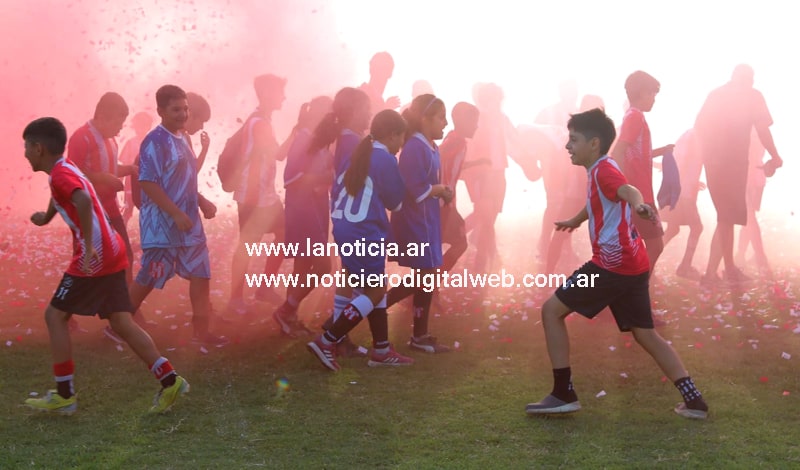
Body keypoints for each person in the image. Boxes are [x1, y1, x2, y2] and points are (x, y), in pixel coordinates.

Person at [525, 109, 708, 419]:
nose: (567, 146)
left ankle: (563, 393)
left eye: (573, 140)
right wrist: (575, 219)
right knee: (646, 334)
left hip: (611, 266)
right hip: (633, 265)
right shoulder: (599, 169)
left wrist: (639, 204)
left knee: (551, 311)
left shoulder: (604, 171)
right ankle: (695, 401)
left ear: (594, 143)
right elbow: (598, 200)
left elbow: (626, 191)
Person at [22, 117, 188, 415]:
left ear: (37, 148)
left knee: (54, 316)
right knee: (121, 321)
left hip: (96, 257)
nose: (24, 153)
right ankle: (170, 380)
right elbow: (64, 195)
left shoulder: (61, 175)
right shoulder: (64, 168)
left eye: (26, 147)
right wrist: (46, 218)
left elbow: (83, 199)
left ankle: (64, 396)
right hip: (113, 249)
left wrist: (86, 249)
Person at [307, 110, 414, 371]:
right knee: (376, 290)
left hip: (345, 226)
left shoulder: (357, 154)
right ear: (391, 135)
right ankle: (328, 340)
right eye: (400, 138)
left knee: (359, 281)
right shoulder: (385, 159)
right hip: (364, 231)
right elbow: (396, 203)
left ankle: (381, 350)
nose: (401, 145)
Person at [128, 84, 226, 346]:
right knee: (150, 274)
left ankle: (201, 332)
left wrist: (202, 201)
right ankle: (120, 323)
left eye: (185, 109)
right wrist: (174, 213)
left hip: (188, 221)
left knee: (201, 272)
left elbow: (187, 175)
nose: (182, 114)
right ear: (160, 111)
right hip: (162, 222)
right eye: (176, 110)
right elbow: (147, 182)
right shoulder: (154, 141)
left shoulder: (184, 137)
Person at [694, 64, 783, 287]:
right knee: (727, 217)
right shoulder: (752, 96)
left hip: (714, 163)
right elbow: (763, 128)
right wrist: (775, 156)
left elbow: (699, 129)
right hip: (732, 164)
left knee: (726, 218)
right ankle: (727, 271)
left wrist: (702, 162)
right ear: (748, 79)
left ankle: (713, 273)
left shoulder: (716, 95)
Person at [387, 94, 454, 353]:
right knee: (425, 277)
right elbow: (414, 189)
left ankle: (420, 334)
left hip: (427, 221)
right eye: (440, 117)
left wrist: (441, 191)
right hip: (415, 222)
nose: (445, 123)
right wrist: (439, 189)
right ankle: (376, 305)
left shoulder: (429, 145)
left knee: (425, 277)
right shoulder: (414, 146)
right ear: (425, 119)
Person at [271, 96, 334, 335]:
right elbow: (292, 177)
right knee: (322, 265)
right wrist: (326, 178)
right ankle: (286, 310)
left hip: (315, 209)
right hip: (304, 210)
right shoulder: (305, 138)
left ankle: (290, 319)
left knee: (302, 265)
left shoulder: (318, 140)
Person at [228, 74, 289, 314]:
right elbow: (279, 154)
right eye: (279, 92)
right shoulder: (259, 123)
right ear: (266, 94)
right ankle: (235, 298)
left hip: (267, 196)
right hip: (252, 197)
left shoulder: (261, 120)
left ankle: (264, 287)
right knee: (247, 246)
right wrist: (298, 130)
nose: (284, 97)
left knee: (285, 235)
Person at [67, 92, 137, 286]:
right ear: (102, 117)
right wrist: (102, 179)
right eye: (118, 123)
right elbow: (71, 173)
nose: (120, 129)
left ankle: (127, 307)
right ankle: (62, 312)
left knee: (125, 256)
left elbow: (112, 169)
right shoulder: (81, 138)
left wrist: (130, 169)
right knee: (85, 262)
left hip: (111, 208)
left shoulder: (111, 140)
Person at [610, 71, 674, 281]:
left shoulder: (635, 117)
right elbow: (618, 152)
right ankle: (634, 291)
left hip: (642, 194)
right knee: (655, 245)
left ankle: (631, 292)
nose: (654, 99)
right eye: (651, 94)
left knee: (646, 246)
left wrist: (661, 151)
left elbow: (634, 153)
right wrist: (622, 188)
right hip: (638, 196)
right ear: (639, 93)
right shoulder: (635, 117)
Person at [438, 102, 484, 272]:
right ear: (461, 120)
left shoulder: (456, 140)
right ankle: (431, 281)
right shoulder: (455, 141)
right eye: (473, 121)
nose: (476, 126)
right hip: (442, 204)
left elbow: (454, 164)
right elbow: (437, 156)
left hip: (445, 203)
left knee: (450, 243)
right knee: (459, 243)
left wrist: (477, 163)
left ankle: (430, 282)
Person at [662, 129, 705, 279]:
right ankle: (685, 266)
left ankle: (646, 263)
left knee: (673, 229)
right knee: (697, 227)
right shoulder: (695, 138)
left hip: (680, 190)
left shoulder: (690, 135)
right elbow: (681, 163)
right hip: (683, 193)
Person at [735, 129, 772, 278]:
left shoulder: (745, 129)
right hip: (758, 174)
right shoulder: (759, 130)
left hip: (749, 175)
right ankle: (741, 254)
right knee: (748, 218)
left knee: (749, 218)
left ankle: (760, 257)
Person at [119, 112, 153, 228]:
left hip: (148, 183)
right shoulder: (130, 143)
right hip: (130, 183)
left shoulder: (152, 142)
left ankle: (149, 236)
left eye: (143, 125)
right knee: (128, 210)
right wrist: (120, 182)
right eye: (138, 125)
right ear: (134, 126)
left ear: (148, 126)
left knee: (147, 211)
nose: (140, 128)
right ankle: (121, 234)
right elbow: (124, 164)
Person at [184, 92, 212, 170]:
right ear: (190, 114)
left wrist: (204, 149)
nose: (202, 127)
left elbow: (193, 172)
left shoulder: (185, 139)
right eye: (201, 121)